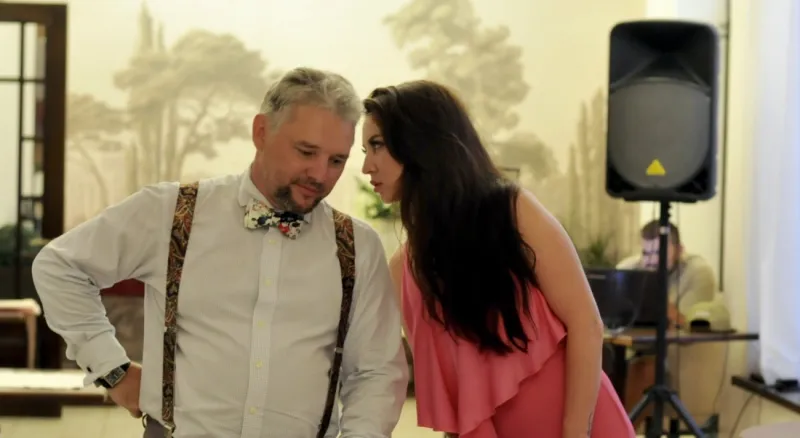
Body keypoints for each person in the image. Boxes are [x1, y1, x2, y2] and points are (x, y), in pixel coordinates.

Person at [32, 67, 408, 438]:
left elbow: (376, 371)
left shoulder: (358, 246)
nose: (320, 174)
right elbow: (59, 266)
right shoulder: (170, 212)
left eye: (336, 160)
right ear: (261, 132)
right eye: (306, 151)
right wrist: (112, 370)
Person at [360, 80, 634, 438]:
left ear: (419, 140)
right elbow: (454, 396)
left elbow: (587, 324)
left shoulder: (511, 210)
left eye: (377, 145)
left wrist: (575, 433)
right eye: (364, 150)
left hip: (582, 424)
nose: (366, 166)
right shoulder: (402, 270)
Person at [616, 220, 719, 421]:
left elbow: (686, 324)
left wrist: (656, 291)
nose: (651, 261)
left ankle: (621, 430)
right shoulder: (630, 267)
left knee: (645, 368)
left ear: (679, 250)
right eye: (646, 253)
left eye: (658, 253)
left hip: (669, 352)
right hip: (628, 345)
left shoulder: (697, 273)